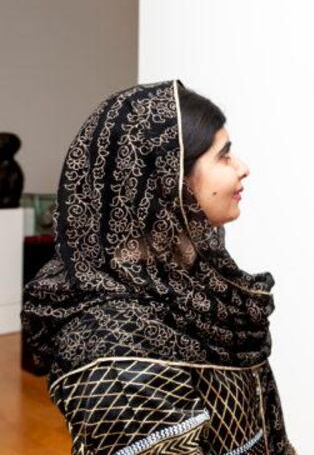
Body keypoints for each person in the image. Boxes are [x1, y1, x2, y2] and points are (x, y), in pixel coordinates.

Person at [22, 80, 294, 454]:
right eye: (224, 155)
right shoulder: (114, 345)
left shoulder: (193, 289)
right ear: (167, 180)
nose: (242, 168)